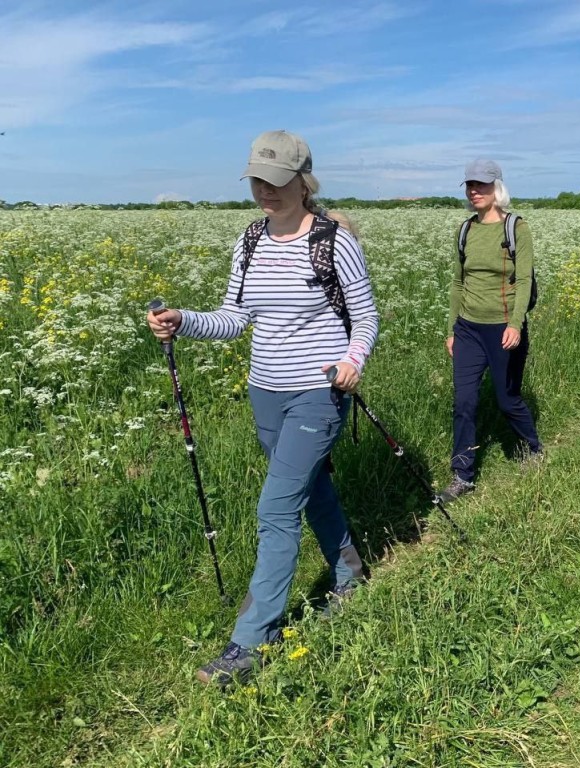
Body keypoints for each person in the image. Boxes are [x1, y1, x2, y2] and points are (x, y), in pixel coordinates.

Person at [146, 130, 379, 685]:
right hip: (265, 391)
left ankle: (252, 642)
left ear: (303, 180)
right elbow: (234, 317)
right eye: (256, 180)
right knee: (312, 488)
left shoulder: (333, 241)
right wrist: (185, 320)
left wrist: (353, 360)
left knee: (276, 508)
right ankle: (350, 576)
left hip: (318, 392)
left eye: (275, 182)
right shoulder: (250, 241)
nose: (265, 192)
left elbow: (366, 317)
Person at [440, 159, 543, 501]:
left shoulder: (517, 228)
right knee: (464, 401)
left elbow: (525, 279)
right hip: (468, 329)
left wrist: (516, 323)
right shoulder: (465, 230)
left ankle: (532, 449)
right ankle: (463, 475)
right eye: (470, 185)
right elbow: (457, 282)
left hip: (502, 329)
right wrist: (452, 328)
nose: (474, 191)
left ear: (496, 188)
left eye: (481, 185)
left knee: (507, 399)